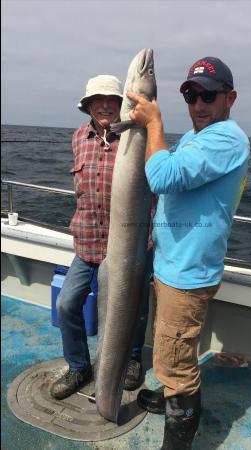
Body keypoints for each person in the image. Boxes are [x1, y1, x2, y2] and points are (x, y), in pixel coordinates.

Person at [127, 57, 249, 449]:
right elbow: (167, 182)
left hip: (186, 275)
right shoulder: (196, 137)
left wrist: (154, 124)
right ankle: (170, 398)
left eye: (208, 95)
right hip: (169, 265)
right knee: (169, 352)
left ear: (229, 98)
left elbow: (162, 176)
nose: (198, 104)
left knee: (177, 367)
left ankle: (176, 438)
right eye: (190, 95)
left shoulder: (227, 138)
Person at [51, 75, 151, 400]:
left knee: (133, 310)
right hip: (87, 244)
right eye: (98, 100)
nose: (105, 105)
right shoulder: (79, 137)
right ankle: (79, 366)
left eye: (112, 99)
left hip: (128, 250)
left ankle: (132, 361)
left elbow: (154, 187)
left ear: (122, 104)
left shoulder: (138, 137)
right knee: (67, 305)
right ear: (88, 106)